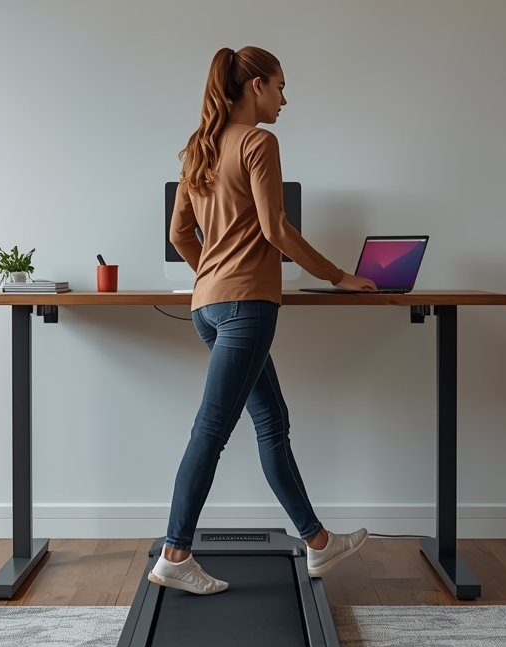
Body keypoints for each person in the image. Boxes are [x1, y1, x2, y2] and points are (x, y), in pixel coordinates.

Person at [151, 46, 375, 596]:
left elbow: (181, 234)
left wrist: (213, 272)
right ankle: (176, 553)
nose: (283, 98)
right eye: (279, 86)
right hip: (247, 308)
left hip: (208, 308)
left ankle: (318, 544)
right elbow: (275, 228)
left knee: (272, 421)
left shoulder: (199, 150)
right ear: (254, 85)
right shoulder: (258, 142)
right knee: (213, 428)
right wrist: (337, 275)